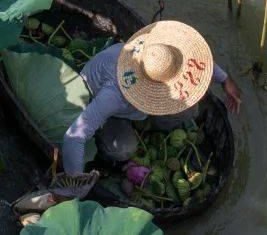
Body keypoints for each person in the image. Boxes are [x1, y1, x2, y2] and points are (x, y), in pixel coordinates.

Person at [61, 20, 243, 177]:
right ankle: (109, 154)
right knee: (124, 149)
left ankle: (145, 122)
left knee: (189, 108)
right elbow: (74, 137)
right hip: (107, 109)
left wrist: (225, 80)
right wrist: (76, 184)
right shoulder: (113, 94)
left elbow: (192, 58)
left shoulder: (160, 51)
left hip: (132, 105)